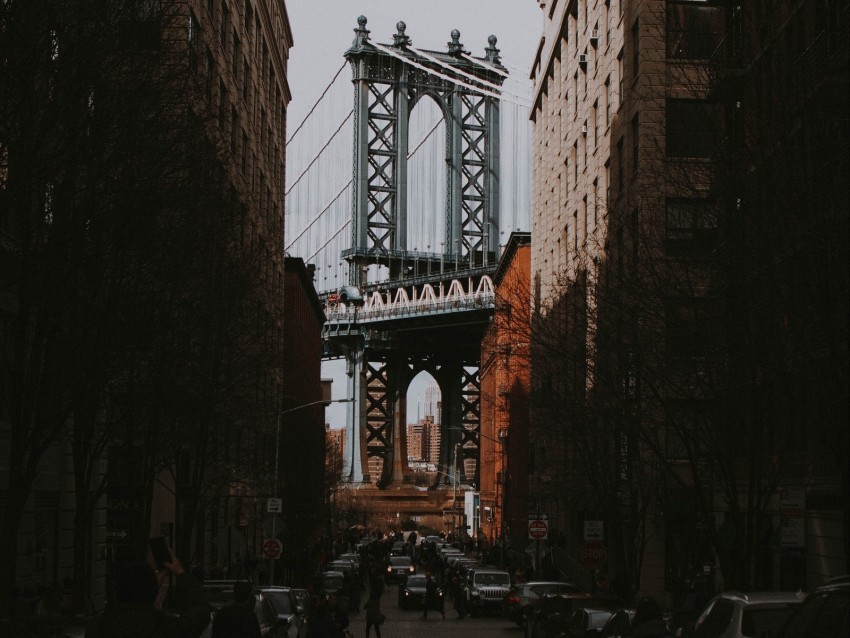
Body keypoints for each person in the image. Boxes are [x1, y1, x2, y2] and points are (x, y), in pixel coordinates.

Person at [87, 552, 210, 637]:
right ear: (154, 593)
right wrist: (180, 572)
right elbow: (199, 611)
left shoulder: (99, 626)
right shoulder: (165, 627)